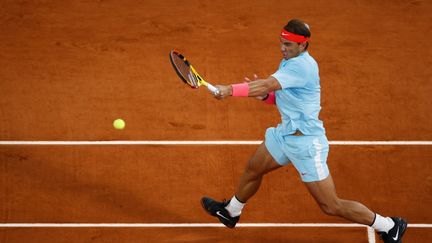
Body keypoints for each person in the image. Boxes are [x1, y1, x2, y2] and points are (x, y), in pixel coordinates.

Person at [200, 19, 407, 243]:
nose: (283, 48)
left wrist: (229, 90)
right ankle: (232, 211)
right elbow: (279, 95)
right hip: (285, 135)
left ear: (303, 45)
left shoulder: (303, 66)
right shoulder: (288, 62)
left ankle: (389, 225)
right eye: (281, 43)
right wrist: (263, 96)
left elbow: (268, 84)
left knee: (331, 205)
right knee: (253, 168)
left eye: (288, 45)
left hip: (306, 144)